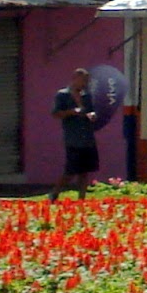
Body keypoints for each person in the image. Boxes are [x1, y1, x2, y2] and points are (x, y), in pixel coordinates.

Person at [50, 67, 99, 200]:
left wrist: (92, 115)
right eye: (83, 80)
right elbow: (55, 113)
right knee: (70, 171)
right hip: (73, 138)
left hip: (87, 137)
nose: (85, 84)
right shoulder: (62, 95)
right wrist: (71, 112)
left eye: (87, 81)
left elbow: (91, 110)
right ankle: (54, 194)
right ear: (75, 79)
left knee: (84, 171)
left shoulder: (87, 96)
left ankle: (81, 198)